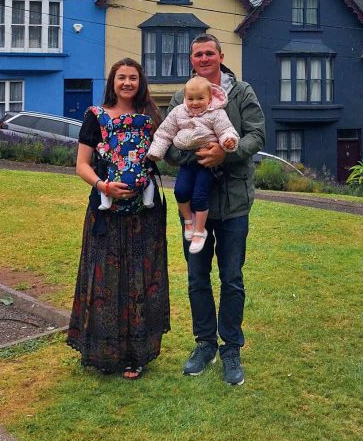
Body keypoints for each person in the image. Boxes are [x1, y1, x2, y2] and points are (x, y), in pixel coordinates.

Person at [165, 34, 265, 386]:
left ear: (221, 56)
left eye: (210, 53)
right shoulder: (182, 97)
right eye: (198, 54)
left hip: (234, 201)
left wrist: (227, 152)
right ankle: (205, 344)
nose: (204, 58)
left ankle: (231, 348)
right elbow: (170, 145)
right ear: (191, 59)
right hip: (194, 204)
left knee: (232, 278)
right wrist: (195, 152)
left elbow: (257, 136)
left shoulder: (242, 93)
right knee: (196, 277)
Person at [67, 58, 170, 380]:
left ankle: (136, 355)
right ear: (112, 81)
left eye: (133, 78)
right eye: (122, 77)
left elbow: (168, 150)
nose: (127, 83)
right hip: (105, 212)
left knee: (141, 278)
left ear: (141, 83)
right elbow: (82, 164)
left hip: (145, 214)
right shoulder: (94, 118)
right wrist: (103, 185)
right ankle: (102, 352)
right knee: (105, 280)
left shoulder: (152, 117)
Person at [147, 75, 239, 255]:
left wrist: (228, 141)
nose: (195, 103)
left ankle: (199, 231)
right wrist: (156, 151)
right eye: (190, 98)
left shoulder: (216, 113)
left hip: (206, 162)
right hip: (187, 162)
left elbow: (226, 130)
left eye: (200, 98)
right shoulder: (178, 112)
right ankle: (188, 221)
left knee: (199, 196)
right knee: (180, 191)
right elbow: (165, 132)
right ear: (185, 98)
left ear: (210, 98)